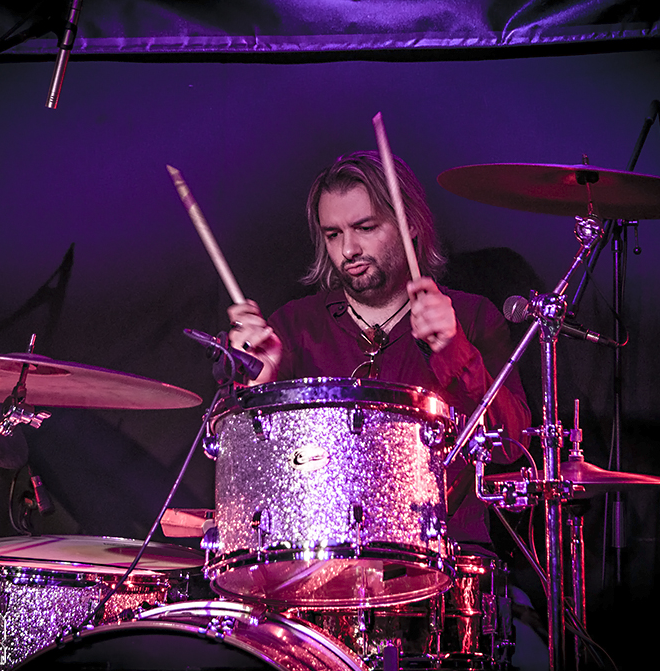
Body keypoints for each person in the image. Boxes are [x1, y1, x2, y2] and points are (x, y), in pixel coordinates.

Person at [227, 150, 530, 546]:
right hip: (319, 560)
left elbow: (512, 446)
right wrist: (255, 390)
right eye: (333, 234)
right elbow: (243, 475)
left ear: (411, 224)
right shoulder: (293, 328)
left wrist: (456, 350)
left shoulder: (471, 316)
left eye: (365, 227)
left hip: (444, 560)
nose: (348, 250)